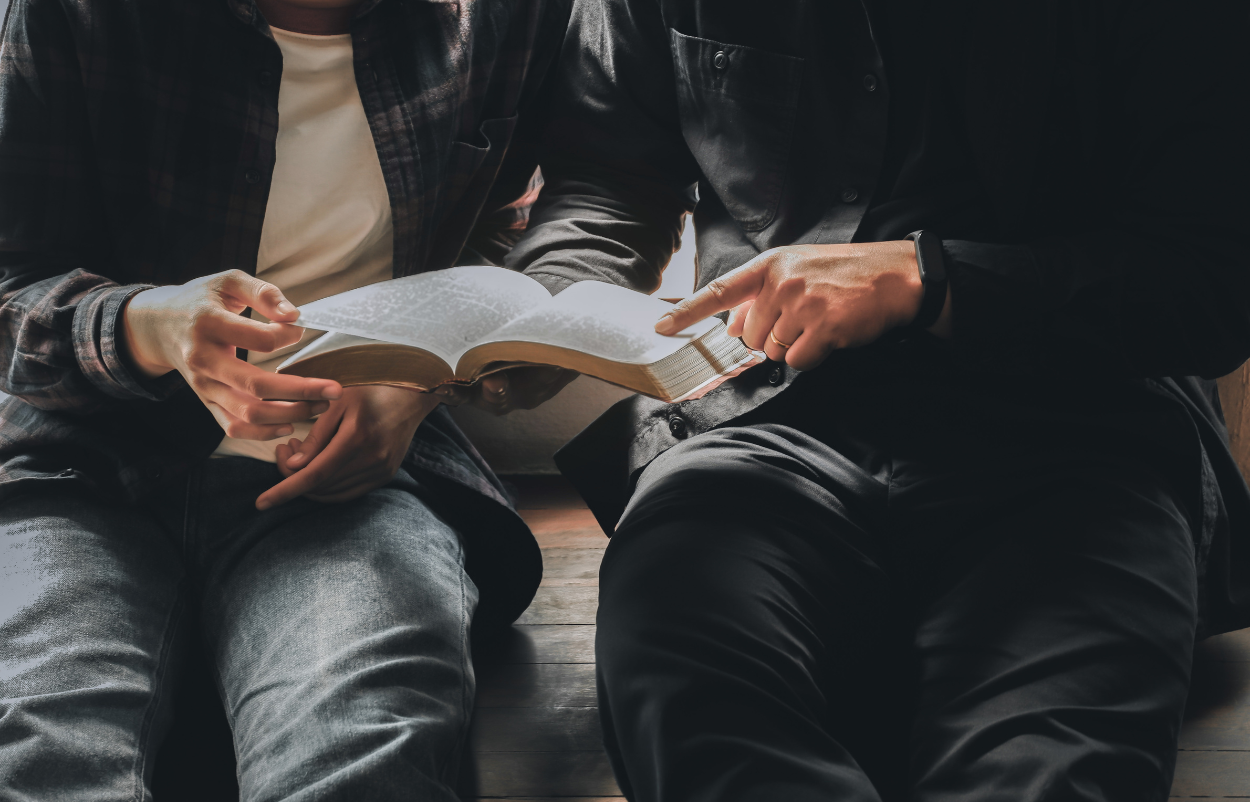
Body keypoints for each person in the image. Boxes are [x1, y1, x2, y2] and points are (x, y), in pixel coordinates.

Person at [504, 1, 1250, 800]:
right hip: (758, 424)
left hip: (1083, 437)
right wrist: (540, 308)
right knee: (697, 710)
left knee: (1051, 770)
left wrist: (927, 279)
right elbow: (610, 178)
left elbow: (1209, 283)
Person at [0, 0, 573, 798]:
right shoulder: (74, 15)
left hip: (348, 482)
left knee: (364, 738)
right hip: (78, 466)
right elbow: (11, 277)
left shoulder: (513, 18)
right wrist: (140, 324)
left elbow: (509, 234)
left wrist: (415, 380)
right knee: (34, 741)